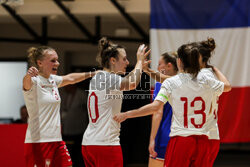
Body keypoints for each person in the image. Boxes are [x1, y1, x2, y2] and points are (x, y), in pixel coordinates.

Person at [114, 39, 231, 167]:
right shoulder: (207, 79)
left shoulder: (172, 82)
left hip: (182, 138)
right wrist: (215, 69)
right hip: (205, 139)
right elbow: (227, 87)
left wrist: (127, 114)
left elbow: (155, 107)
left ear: (179, 61)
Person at [22, 46, 97, 167]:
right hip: (38, 142)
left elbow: (71, 78)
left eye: (57, 60)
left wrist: (92, 73)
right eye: (53, 60)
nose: (57, 63)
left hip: (57, 140)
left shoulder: (53, 80)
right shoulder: (34, 81)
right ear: (40, 63)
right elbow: (26, 84)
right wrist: (28, 75)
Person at [81, 37, 150, 167]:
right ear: (113, 60)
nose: (127, 62)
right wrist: (139, 62)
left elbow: (128, 80)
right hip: (105, 144)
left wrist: (138, 67)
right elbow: (132, 83)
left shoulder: (100, 77)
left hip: (89, 143)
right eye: (124, 59)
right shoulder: (108, 78)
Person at [143, 52, 178, 167]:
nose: (157, 68)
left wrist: (152, 139)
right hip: (181, 136)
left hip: (164, 135)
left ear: (169, 65)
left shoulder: (161, 84)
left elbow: (158, 112)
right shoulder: (185, 83)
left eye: (159, 64)